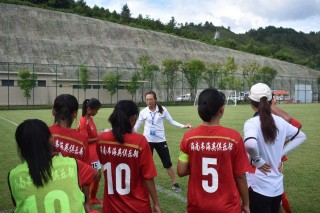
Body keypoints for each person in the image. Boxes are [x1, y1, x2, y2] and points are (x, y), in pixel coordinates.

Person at [177, 88, 251, 213]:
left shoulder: (189, 138)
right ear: (222, 109)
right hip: (227, 207)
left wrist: (197, 165)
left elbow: (181, 171)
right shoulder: (234, 138)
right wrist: (246, 204)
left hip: (197, 206)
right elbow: (240, 176)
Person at [8, 119, 97, 213]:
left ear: (21, 148)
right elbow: (95, 175)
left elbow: (16, 202)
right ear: (51, 139)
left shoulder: (14, 176)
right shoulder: (73, 164)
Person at [244, 83, 307, 213]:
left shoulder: (252, 123)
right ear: (270, 101)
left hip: (259, 186)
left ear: (251, 102)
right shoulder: (280, 121)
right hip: (277, 187)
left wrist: (257, 160)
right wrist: (281, 153)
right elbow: (301, 136)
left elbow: (250, 144)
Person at [98, 100, 161, 213]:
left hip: (110, 207)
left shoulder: (102, 139)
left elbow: (103, 161)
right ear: (133, 118)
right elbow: (148, 176)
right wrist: (156, 202)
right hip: (137, 207)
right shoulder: (139, 141)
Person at [133, 91, 192, 193]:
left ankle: (174, 183)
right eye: (147, 99)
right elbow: (136, 126)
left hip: (160, 140)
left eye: (151, 99)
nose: (149, 101)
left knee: (167, 163)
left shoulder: (163, 110)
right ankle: (141, 183)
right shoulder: (143, 112)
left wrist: (183, 126)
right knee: (145, 164)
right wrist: (128, 133)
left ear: (155, 99)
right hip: (147, 141)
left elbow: (171, 121)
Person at [49, 94, 92, 212]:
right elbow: (86, 177)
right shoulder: (82, 139)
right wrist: (87, 202)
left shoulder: (45, 133)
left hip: (48, 194)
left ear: (53, 112)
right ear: (75, 113)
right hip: (74, 198)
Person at [271, 95, 302, 213]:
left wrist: (283, 142)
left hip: (274, 157)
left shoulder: (279, 116)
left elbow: (297, 125)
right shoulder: (261, 115)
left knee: (277, 191)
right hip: (263, 158)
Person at [78, 98, 103, 206]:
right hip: (89, 152)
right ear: (89, 109)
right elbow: (84, 140)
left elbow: (92, 136)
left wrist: (98, 135)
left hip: (94, 151)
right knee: (91, 176)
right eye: (95, 110)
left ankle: (92, 198)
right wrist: (98, 137)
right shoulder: (84, 121)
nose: (96, 112)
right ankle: (85, 201)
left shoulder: (90, 119)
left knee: (97, 175)